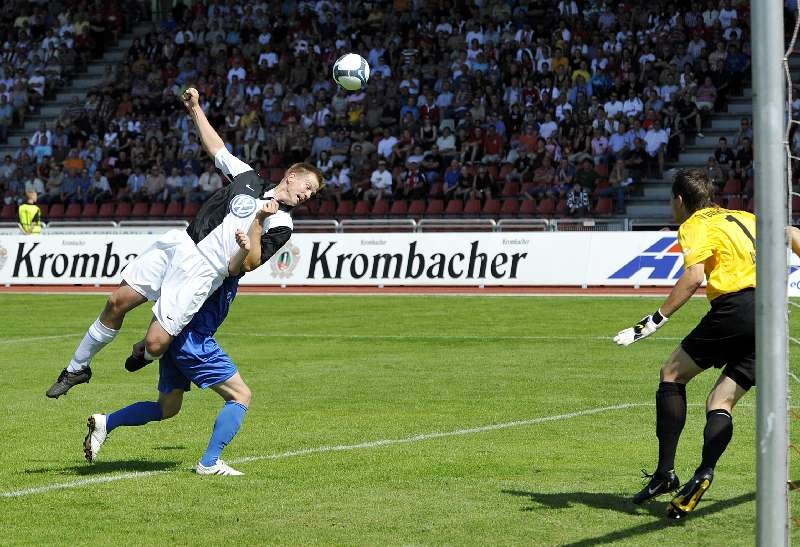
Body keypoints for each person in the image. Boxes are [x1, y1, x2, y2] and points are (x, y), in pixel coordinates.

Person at [46, 88, 323, 399]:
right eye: (307, 186)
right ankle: (77, 368)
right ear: (292, 175)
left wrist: (259, 221)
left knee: (156, 345)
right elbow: (217, 148)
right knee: (116, 302)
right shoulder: (248, 178)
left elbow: (248, 264)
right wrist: (195, 108)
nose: (307, 195)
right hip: (180, 243)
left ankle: (144, 351)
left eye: (312, 193)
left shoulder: (282, 224)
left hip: (205, 272)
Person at [613, 168, 756, 520]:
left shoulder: (693, 224)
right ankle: (703, 472)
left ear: (679, 200)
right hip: (771, 317)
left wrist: (653, 321)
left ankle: (666, 473)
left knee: (671, 374)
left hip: (735, 309)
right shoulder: (746, 216)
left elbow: (693, 277)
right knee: (720, 401)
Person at [84, 230, 254, 475]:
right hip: (194, 342)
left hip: (175, 339)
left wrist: (152, 339)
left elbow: (175, 302)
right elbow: (235, 265)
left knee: (168, 407)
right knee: (240, 395)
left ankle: (106, 423)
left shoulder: (202, 265)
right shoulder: (219, 264)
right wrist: (247, 246)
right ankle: (209, 462)